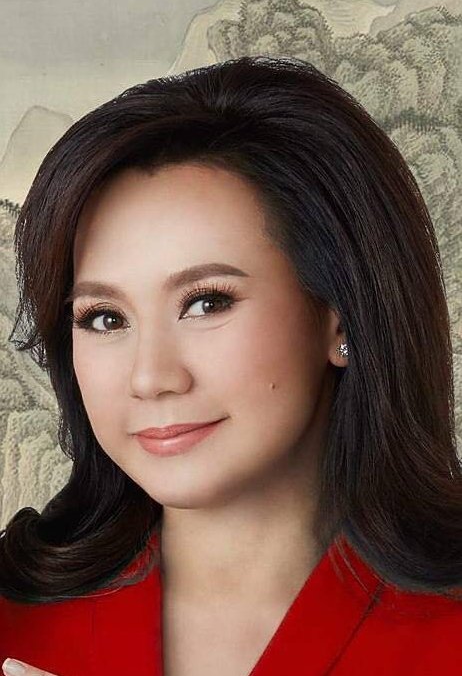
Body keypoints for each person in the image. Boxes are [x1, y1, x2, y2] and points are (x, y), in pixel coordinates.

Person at [0, 55, 461, 676]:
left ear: (341, 317)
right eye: (105, 318)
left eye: (206, 303)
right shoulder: (14, 624)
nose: (151, 377)